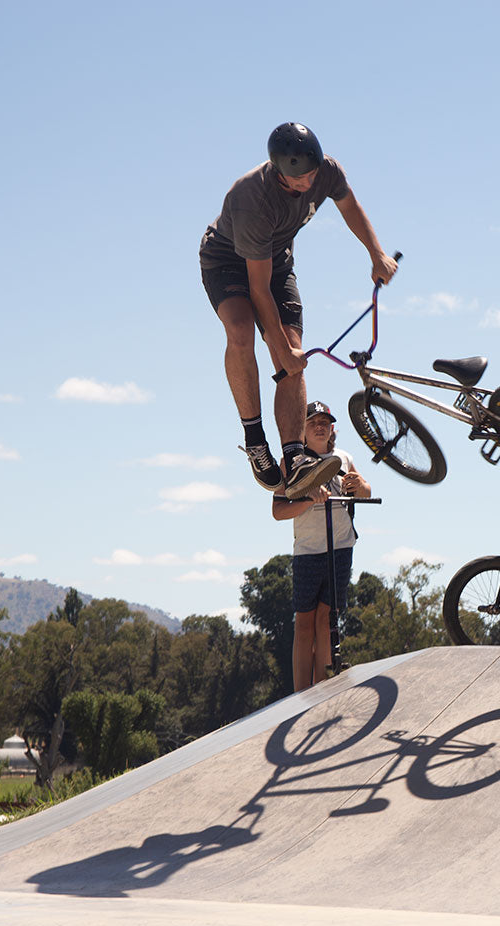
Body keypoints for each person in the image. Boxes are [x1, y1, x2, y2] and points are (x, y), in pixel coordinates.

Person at [200, 122, 398, 499]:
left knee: (293, 349)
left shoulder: (328, 171)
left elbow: (349, 205)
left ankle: (295, 457)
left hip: (275, 260)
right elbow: (258, 289)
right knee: (243, 330)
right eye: (297, 179)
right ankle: (256, 441)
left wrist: (376, 253)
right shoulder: (252, 199)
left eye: (311, 174)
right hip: (226, 260)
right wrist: (283, 351)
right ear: (278, 172)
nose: (308, 183)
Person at [272, 401, 371, 691]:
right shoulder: (291, 462)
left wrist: (359, 485)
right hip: (308, 550)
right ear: (301, 430)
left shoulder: (343, 457)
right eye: (312, 422)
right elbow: (278, 511)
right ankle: (300, 693)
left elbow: (366, 491)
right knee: (304, 621)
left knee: (328, 619)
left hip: (341, 546)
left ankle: (323, 688)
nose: (319, 427)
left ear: (333, 429)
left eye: (324, 422)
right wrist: (306, 500)